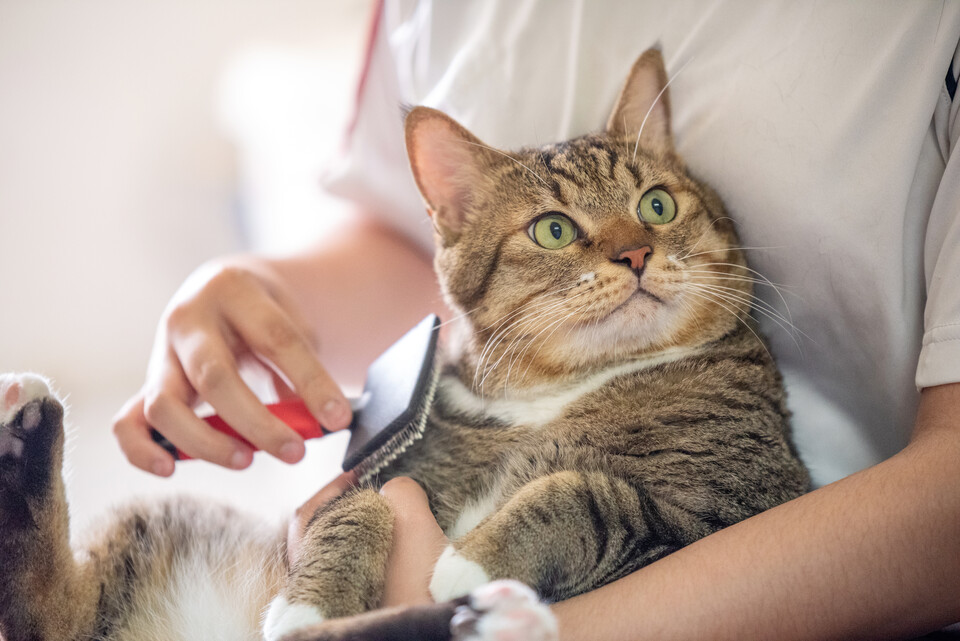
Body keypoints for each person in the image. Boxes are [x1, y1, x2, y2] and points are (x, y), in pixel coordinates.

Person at [112, 2, 960, 639]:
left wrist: (498, 627)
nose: (631, 250)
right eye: (560, 230)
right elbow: (407, 245)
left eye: (655, 207)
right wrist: (260, 289)